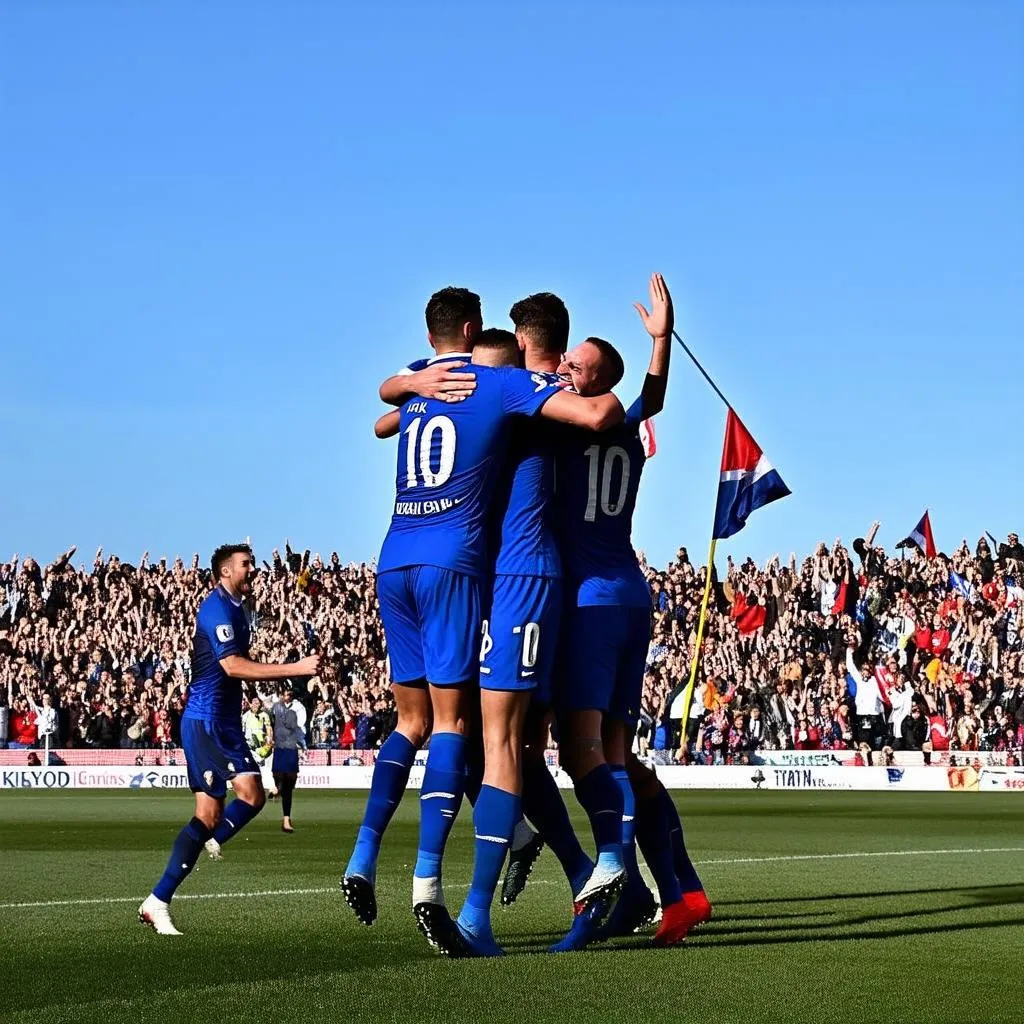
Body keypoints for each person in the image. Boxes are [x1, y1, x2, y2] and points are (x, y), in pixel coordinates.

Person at [342, 285, 625, 955]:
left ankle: (491, 902)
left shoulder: (523, 393)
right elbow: (386, 419)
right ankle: (580, 869)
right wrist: (414, 385)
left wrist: (643, 368)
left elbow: (600, 414)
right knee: (493, 741)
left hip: (525, 579)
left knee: (499, 738)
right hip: (484, 581)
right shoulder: (500, 391)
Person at [552, 274, 711, 948]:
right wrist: (660, 342)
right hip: (629, 592)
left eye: (573, 366)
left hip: (589, 600)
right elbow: (655, 397)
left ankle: (616, 873)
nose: (562, 370)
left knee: (583, 750)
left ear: (594, 383)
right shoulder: (625, 429)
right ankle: (682, 892)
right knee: (618, 750)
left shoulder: (569, 425)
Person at [139, 544, 319, 935]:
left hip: (225, 723)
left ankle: (200, 852)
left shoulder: (239, 607)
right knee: (223, 807)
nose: (253, 569)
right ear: (225, 571)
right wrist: (296, 668)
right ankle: (160, 899)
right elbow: (232, 666)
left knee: (248, 798)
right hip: (205, 723)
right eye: (246, 564)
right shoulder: (216, 608)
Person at [271, 685, 306, 833]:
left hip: (291, 747)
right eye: (286, 694)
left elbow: (298, 726)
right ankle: (278, 788)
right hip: (279, 747)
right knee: (278, 775)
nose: (288, 696)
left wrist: (302, 743)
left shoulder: (298, 707)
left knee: (289, 785)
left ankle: (286, 819)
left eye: (290, 694)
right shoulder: (275, 706)